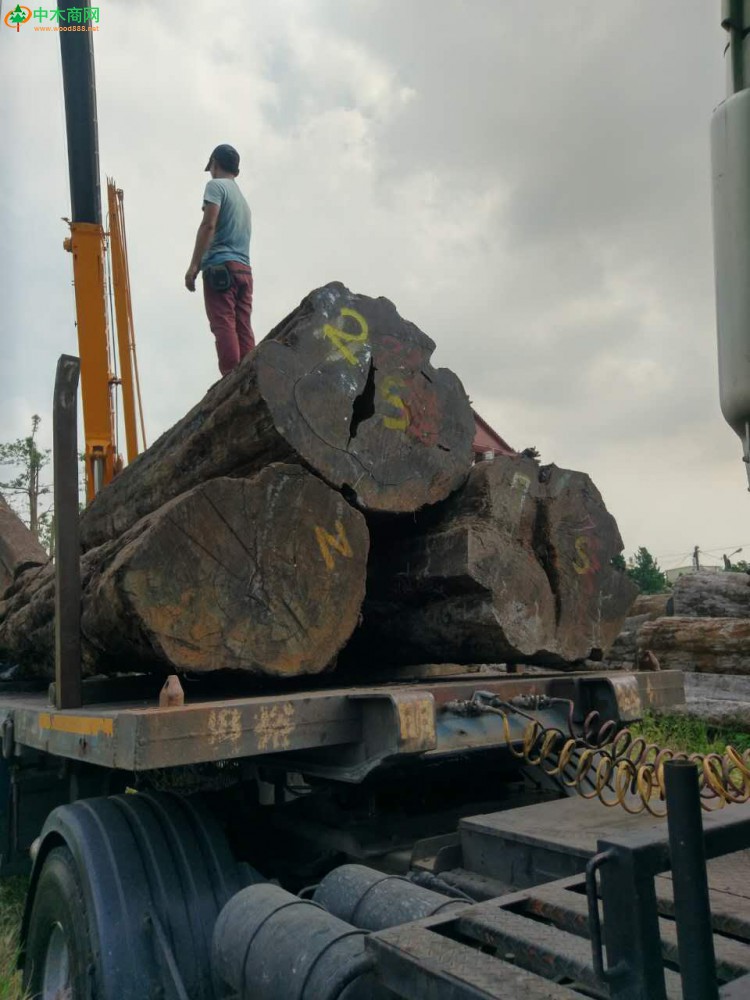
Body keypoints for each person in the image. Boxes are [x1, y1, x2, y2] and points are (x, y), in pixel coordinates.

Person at [185, 144, 254, 376]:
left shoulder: (215, 186)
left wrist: (194, 265)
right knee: (243, 325)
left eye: (211, 167)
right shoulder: (243, 201)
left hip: (220, 268)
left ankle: (231, 379)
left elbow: (208, 224)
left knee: (223, 322)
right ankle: (250, 374)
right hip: (244, 270)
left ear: (214, 163)